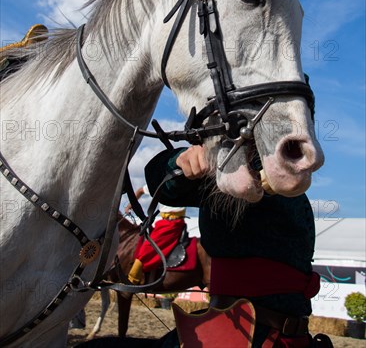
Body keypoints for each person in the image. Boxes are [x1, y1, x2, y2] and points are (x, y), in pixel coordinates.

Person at [142, 145, 333, 348]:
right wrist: (179, 161)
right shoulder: (230, 169)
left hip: (295, 339)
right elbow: (160, 181)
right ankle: (138, 268)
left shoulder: (287, 176)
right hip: (236, 335)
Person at [125, 184, 187, 286]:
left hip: (171, 224)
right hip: (163, 222)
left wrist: (130, 205)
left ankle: (132, 280)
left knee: (146, 250)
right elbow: (140, 190)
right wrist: (130, 205)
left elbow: (140, 191)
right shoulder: (160, 182)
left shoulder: (180, 181)